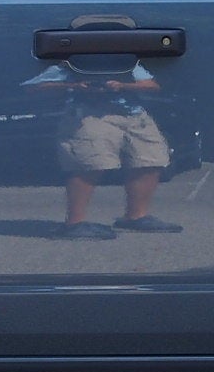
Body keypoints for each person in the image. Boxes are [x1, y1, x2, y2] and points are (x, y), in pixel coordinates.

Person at [26, 57, 183, 240]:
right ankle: (74, 224)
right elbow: (34, 87)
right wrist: (75, 86)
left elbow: (152, 85)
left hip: (133, 114)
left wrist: (122, 86)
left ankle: (136, 217)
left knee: (150, 160)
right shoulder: (73, 63)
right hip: (88, 114)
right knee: (89, 164)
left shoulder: (127, 63)